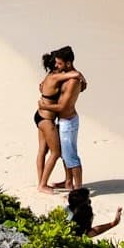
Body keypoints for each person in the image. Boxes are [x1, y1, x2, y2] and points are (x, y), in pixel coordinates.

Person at [46, 45, 87, 192]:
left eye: (59, 63)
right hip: (64, 121)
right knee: (65, 154)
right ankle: (68, 182)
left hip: (68, 122)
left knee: (71, 157)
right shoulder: (72, 75)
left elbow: (63, 106)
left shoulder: (73, 81)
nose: (56, 66)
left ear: (68, 63)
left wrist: (44, 106)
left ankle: (78, 189)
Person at [33, 51, 71, 192]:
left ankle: (41, 182)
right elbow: (73, 75)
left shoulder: (49, 76)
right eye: (57, 63)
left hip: (39, 116)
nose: (59, 65)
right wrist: (81, 76)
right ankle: (42, 185)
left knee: (42, 150)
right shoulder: (55, 77)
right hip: (47, 119)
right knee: (56, 152)